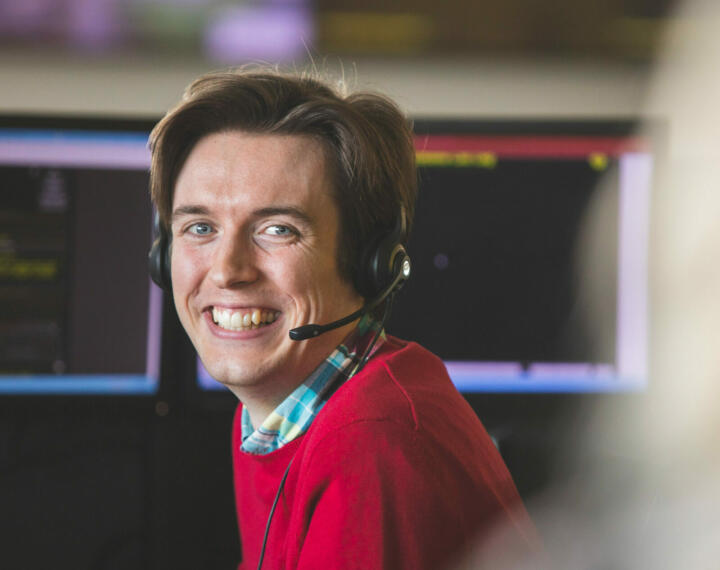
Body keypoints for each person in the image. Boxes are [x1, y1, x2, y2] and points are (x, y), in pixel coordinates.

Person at [148, 68, 537, 569]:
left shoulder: (372, 445)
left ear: (367, 262)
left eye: (277, 229)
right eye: (200, 227)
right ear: (163, 255)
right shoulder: (273, 411)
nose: (227, 271)